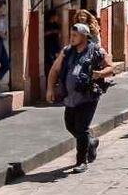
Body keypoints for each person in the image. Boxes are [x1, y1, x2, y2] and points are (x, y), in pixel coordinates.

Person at [46, 23, 113, 173]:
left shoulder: (96, 50)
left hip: (88, 96)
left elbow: (110, 68)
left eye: (75, 35)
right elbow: (54, 70)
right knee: (70, 126)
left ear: (84, 35)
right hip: (71, 97)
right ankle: (91, 142)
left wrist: (100, 74)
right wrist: (50, 89)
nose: (72, 38)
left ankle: (81, 161)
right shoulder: (67, 52)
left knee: (81, 128)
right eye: (71, 35)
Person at [0, 0, 10, 85]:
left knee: (6, 63)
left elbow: (3, 29)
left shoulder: (1, 17)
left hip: (0, 41)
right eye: (1, 8)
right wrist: (3, 35)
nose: (2, 10)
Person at [43, 9, 62, 75]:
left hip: (55, 45)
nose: (57, 17)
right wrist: (52, 32)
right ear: (52, 16)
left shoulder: (56, 24)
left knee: (56, 61)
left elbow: (59, 35)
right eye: (56, 16)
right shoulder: (47, 24)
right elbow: (44, 34)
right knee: (50, 62)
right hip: (49, 45)